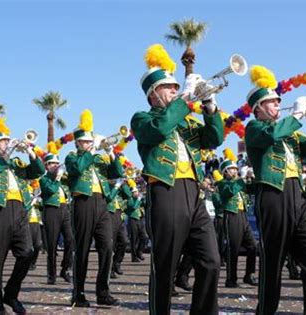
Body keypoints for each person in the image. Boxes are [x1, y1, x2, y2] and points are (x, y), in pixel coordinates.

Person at [131, 44, 223, 314]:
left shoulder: (185, 120)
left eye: (175, 86)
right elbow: (159, 129)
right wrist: (184, 98)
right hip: (166, 191)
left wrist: (209, 106)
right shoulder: (143, 118)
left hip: (194, 194)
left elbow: (213, 139)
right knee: (165, 264)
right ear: (153, 94)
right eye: (168, 87)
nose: (174, 89)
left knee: (210, 261)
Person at [244, 66, 306, 314]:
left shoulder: (289, 133)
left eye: (277, 101)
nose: (276, 105)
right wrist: (296, 115)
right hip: (272, 194)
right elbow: (272, 134)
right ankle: (266, 310)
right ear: (258, 108)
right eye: (271, 102)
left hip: (297, 195)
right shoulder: (255, 128)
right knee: (273, 260)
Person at [0, 119, 45, 314]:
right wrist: (5, 157)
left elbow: (38, 171)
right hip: (1, 210)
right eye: (3, 142)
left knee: (27, 253)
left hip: (20, 211)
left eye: (8, 141)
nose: (8, 143)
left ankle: (11, 293)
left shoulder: (16, 164)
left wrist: (30, 152)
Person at [65, 109, 124, 307]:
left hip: (102, 203)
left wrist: (110, 152)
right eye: (85, 142)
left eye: (91, 141)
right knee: (81, 248)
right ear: (78, 143)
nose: (89, 144)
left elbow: (117, 172)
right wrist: (91, 151)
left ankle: (103, 292)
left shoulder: (98, 159)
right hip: (83, 202)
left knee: (107, 246)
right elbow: (78, 169)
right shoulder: (72, 157)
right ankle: (78, 293)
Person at [215, 151, 257, 288]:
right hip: (231, 215)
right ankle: (231, 279)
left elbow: (253, 189)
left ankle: (249, 275)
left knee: (253, 246)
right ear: (225, 172)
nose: (235, 171)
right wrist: (241, 179)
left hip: (243, 215)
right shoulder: (222, 184)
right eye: (232, 169)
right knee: (233, 248)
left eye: (235, 169)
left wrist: (254, 178)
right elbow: (230, 191)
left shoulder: (239, 182)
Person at [39, 152, 73, 284]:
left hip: (65, 210)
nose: (56, 166)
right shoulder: (44, 179)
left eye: (57, 164)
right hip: (51, 210)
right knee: (52, 245)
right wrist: (57, 178)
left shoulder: (63, 179)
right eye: (52, 164)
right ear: (47, 166)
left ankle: (65, 269)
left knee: (70, 239)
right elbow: (51, 190)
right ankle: (51, 274)